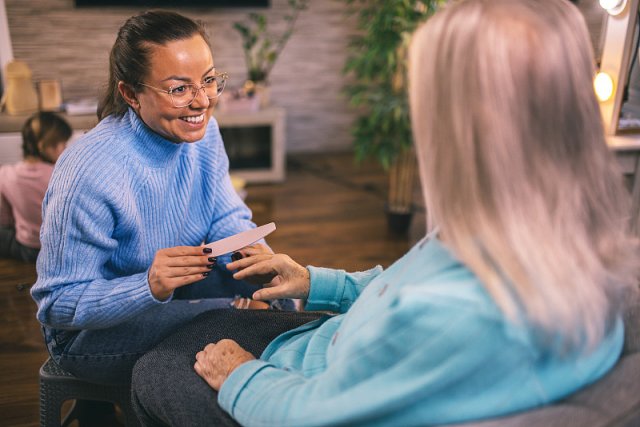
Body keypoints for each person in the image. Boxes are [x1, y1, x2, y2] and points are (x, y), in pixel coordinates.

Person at [131, 0, 640, 425]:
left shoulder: (461, 317)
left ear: (465, 127)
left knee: (152, 370)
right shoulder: (542, 234)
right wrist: (315, 281)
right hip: (329, 348)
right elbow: (406, 291)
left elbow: (311, 414)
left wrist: (239, 372)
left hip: (295, 391)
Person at [30, 10, 289, 387]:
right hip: (85, 335)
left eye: (209, 81)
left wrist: (254, 253)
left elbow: (224, 215)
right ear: (130, 93)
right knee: (245, 319)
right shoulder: (90, 171)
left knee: (279, 293)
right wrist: (148, 284)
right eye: (179, 89)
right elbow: (57, 305)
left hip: (171, 287)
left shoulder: (205, 133)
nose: (202, 102)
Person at [0, 112, 71, 262]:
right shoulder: (62, 176)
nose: (66, 148)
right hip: (61, 251)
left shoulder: (5, 174)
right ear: (44, 146)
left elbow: (4, 219)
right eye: (62, 143)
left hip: (28, 249)